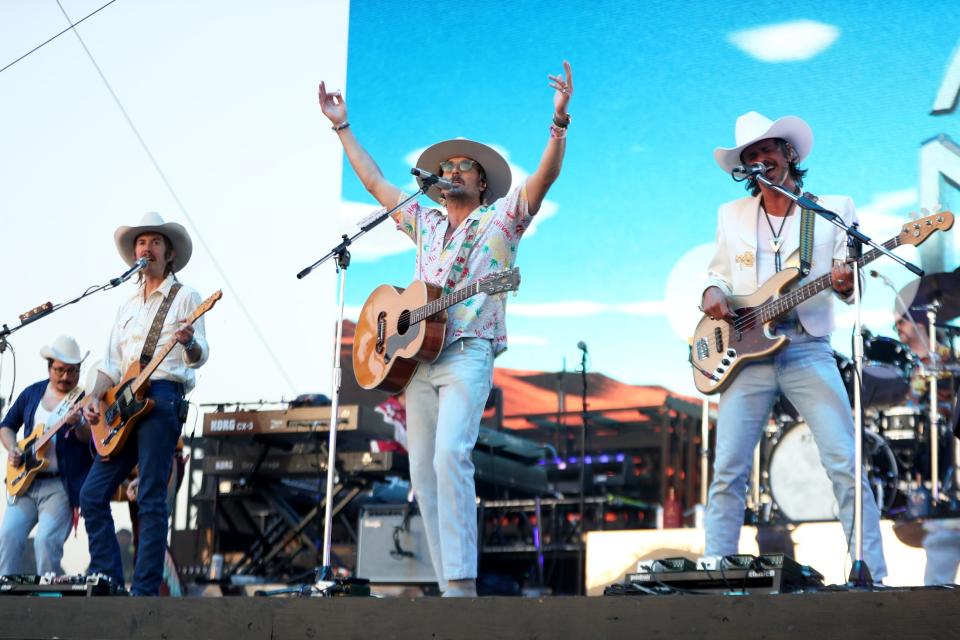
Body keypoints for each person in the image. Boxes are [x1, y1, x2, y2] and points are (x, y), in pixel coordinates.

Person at [317, 61, 573, 596]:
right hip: (416, 360)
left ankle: (462, 588)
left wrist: (559, 123)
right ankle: (445, 585)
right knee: (423, 478)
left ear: (482, 182)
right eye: (448, 166)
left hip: (467, 352)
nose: (453, 171)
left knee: (450, 455)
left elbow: (544, 177)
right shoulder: (425, 222)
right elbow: (376, 183)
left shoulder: (501, 219)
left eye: (465, 167)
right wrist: (342, 127)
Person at [700, 111, 888, 580]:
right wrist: (712, 295)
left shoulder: (832, 209)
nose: (762, 158)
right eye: (752, 154)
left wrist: (846, 284)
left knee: (844, 461)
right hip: (744, 353)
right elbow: (717, 274)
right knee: (728, 471)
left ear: (789, 155)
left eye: (769, 149)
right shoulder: (732, 214)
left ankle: (873, 574)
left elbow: (850, 285)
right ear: (746, 167)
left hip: (807, 347)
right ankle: (713, 571)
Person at [81, 212, 209, 595]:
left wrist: (187, 341)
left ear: (168, 254)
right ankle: (107, 576)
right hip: (122, 405)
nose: (146, 248)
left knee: (151, 497)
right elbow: (110, 364)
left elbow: (199, 355)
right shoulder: (125, 306)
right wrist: (92, 396)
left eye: (155, 242)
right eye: (141, 242)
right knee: (91, 494)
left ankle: (144, 593)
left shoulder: (185, 296)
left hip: (163, 398)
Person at [0, 336, 93, 576]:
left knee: (46, 542)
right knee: (8, 536)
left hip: (59, 486)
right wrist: (13, 448)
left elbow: (89, 439)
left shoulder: (84, 399)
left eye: (72, 371)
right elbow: (6, 426)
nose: (65, 377)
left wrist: (80, 421)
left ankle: (47, 601)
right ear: (49, 367)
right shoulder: (32, 393)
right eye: (60, 370)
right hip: (25, 483)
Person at [893, 307, 960, 584]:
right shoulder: (911, 363)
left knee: (944, 532)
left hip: (946, 438)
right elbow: (910, 404)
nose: (896, 327)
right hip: (925, 441)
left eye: (901, 322)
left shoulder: (948, 357)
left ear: (920, 323)